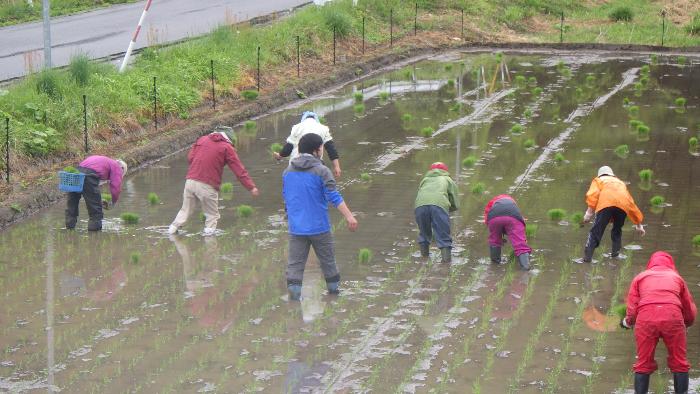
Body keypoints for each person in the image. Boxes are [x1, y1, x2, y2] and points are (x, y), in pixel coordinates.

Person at [282, 133, 357, 301]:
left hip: (296, 228)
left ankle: (294, 301)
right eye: (321, 148)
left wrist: (289, 216)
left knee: (295, 266)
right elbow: (333, 196)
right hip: (319, 227)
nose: (322, 151)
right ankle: (333, 296)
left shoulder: (287, 171)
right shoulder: (322, 171)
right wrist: (349, 217)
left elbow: (287, 197)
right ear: (316, 151)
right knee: (328, 262)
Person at [621, 251, 696, 394]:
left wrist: (628, 322)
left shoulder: (640, 277)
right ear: (671, 264)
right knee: (680, 362)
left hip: (646, 320)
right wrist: (687, 323)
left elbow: (632, 307)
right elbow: (688, 306)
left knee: (643, 363)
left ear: (651, 263)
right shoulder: (677, 278)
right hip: (673, 318)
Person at [168, 126, 259, 236]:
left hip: (190, 181)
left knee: (185, 210)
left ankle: (171, 232)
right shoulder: (226, 147)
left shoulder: (202, 139)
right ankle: (210, 247)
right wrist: (251, 187)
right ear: (229, 138)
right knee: (212, 216)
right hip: (207, 185)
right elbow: (238, 170)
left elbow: (190, 158)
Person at [582, 165, 645, 262]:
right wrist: (639, 225)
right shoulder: (620, 183)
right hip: (622, 206)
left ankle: (587, 259)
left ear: (600, 175)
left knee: (595, 232)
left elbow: (593, 196)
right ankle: (615, 255)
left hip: (606, 204)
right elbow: (630, 203)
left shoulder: (598, 180)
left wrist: (588, 214)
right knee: (617, 230)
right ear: (612, 174)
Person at [65, 155, 127, 231]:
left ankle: (69, 229)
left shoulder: (104, 161)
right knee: (95, 211)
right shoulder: (117, 166)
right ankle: (95, 236)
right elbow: (116, 186)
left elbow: (89, 191)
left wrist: (99, 200)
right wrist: (113, 203)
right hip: (89, 175)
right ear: (122, 168)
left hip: (75, 173)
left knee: (72, 204)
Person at [273, 111, 342, 178]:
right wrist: (337, 167)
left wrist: (280, 155)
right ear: (316, 119)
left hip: (295, 164)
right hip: (315, 166)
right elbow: (331, 149)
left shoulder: (297, 127)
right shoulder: (323, 128)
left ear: (303, 119)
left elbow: (289, 147)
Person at [414, 162, 459, 263]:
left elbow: (420, 193)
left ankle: (424, 259)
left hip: (420, 206)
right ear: (445, 171)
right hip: (439, 205)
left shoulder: (425, 179)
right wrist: (449, 209)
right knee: (443, 234)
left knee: (424, 232)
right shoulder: (447, 179)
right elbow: (454, 200)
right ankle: (446, 263)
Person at [484, 194, 532, 270]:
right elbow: (519, 220)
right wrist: (523, 239)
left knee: (494, 240)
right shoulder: (512, 203)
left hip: (493, 218)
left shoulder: (493, 202)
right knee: (520, 243)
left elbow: (487, 219)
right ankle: (525, 268)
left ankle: (495, 266)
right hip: (513, 217)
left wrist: (498, 235)